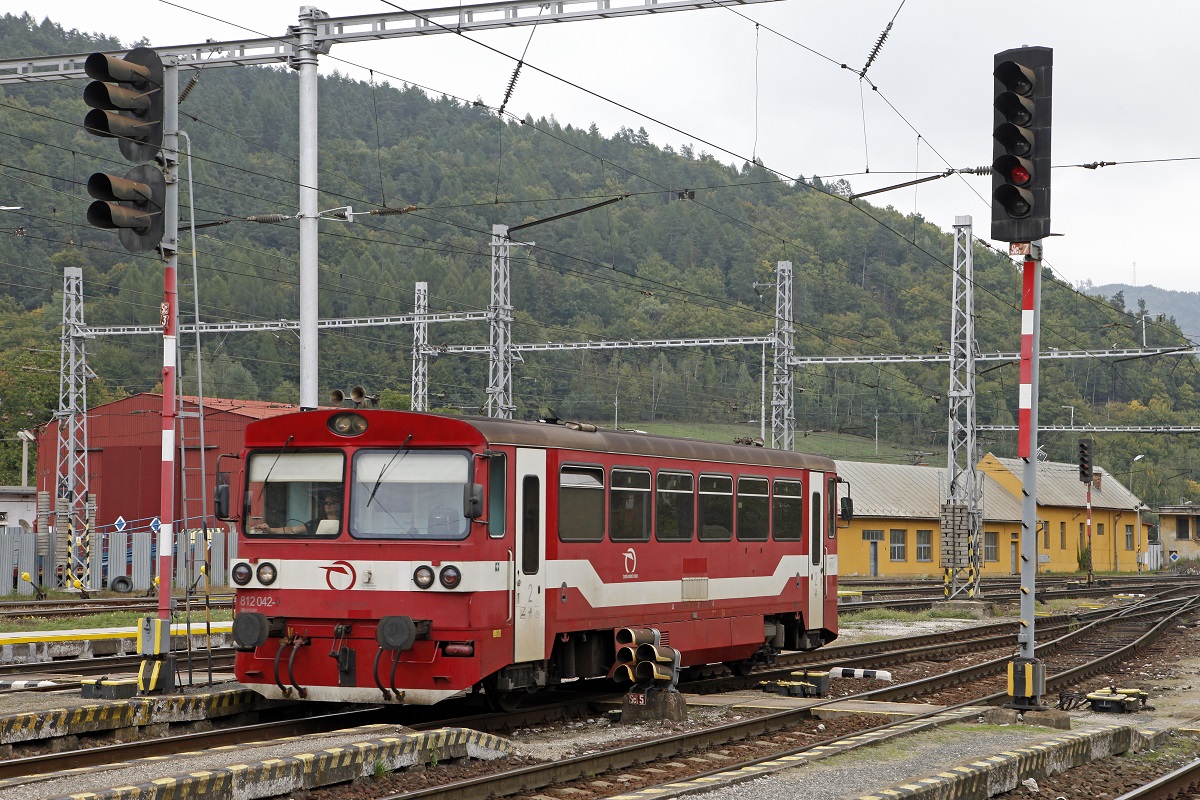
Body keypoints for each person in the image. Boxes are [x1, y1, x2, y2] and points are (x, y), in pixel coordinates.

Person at [252, 492, 341, 534]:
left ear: (339, 505)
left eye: (332, 502)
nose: (328, 505)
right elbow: (292, 530)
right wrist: (270, 530)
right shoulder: (317, 522)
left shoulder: (345, 522)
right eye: (326, 503)